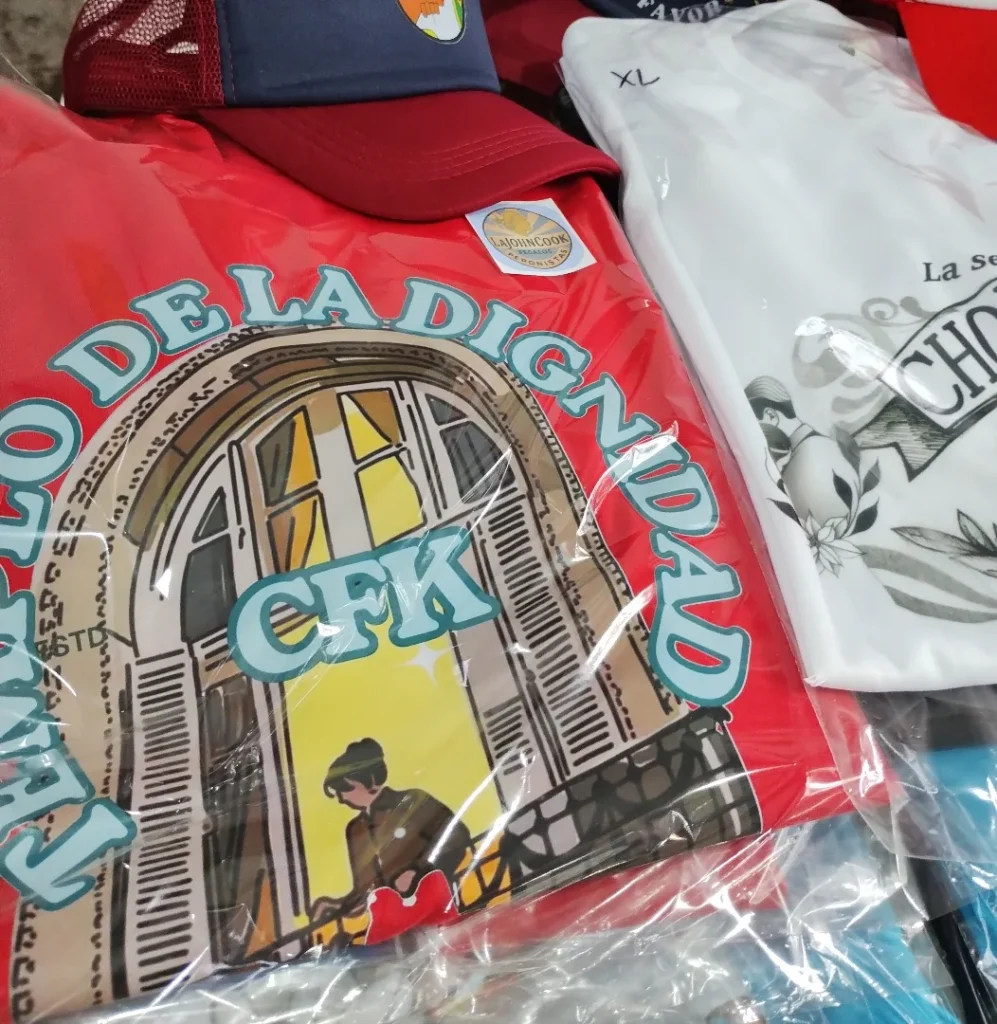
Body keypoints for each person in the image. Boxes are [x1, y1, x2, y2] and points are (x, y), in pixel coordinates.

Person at [310, 738, 473, 924]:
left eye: (345, 788)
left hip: (440, 904)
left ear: (370, 780)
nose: (341, 798)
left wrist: (419, 872)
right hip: (392, 923)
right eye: (338, 792)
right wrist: (336, 908)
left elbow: (457, 838)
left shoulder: (411, 801)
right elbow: (364, 892)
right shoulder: (355, 829)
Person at [745, 376, 858, 529]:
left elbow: (830, 527)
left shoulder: (804, 460)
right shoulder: (820, 445)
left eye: (758, 427)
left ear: (771, 415)